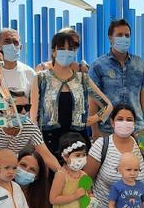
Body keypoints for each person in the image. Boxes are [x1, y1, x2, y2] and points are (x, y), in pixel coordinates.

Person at [38, 31, 112, 162]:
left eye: (71, 48)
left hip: (78, 142)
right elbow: (34, 113)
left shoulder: (82, 79)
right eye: (61, 48)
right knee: (54, 180)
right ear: (53, 51)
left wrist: (93, 119)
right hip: (49, 141)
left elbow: (108, 106)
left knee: (82, 181)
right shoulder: (42, 77)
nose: (66, 52)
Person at [88, 19, 144, 138]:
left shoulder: (140, 64)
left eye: (127, 35)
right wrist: (95, 132)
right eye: (119, 35)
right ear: (110, 38)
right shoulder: (98, 65)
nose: (124, 38)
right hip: (108, 129)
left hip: (136, 129)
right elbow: (93, 100)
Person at [0, 28, 39, 121]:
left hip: (22, 129)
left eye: (15, 42)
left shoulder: (30, 73)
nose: (11, 45)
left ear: (20, 47)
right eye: (7, 41)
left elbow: (35, 107)